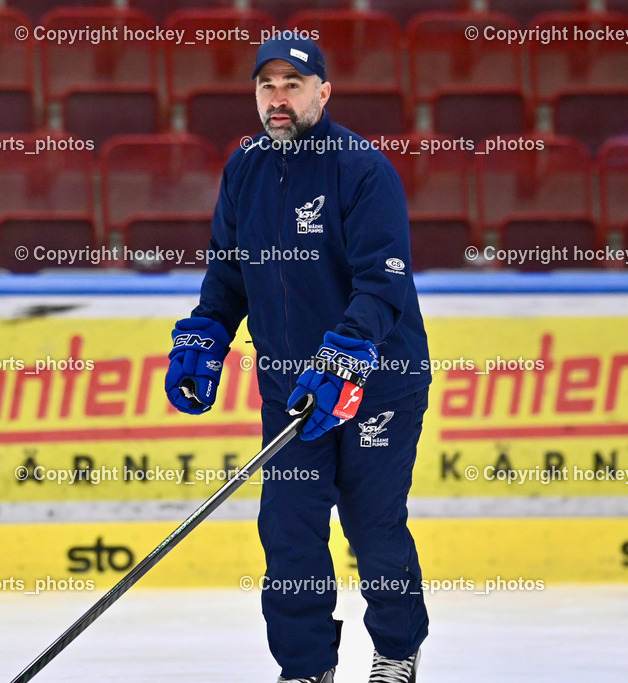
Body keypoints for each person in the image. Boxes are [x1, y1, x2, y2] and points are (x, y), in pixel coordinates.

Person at [165, 32, 430, 683]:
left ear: (324, 91)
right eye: (266, 85)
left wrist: (347, 351)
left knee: (372, 529)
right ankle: (307, 667)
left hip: (378, 383)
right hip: (292, 391)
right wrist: (204, 335)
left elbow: (384, 279)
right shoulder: (245, 169)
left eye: (292, 84)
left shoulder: (362, 169)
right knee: (288, 534)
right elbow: (228, 275)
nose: (278, 98)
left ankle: (396, 649)